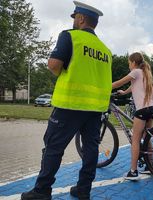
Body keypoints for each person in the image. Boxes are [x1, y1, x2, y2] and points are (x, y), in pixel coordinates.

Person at [21, 1, 112, 200]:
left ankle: (42, 190)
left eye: (74, 17)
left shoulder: (70, 36)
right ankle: (83, 189)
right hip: (95, 109)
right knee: (90, 150)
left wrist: (60, 70)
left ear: (80, 18)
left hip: (70, 105)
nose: (73, 21)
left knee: (53, 147)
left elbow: (54, 65)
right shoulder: (106, 51)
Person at [112, 52, 153, 180]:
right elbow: (133, 87)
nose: (128, 66)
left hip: (143, 109)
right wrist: (124, 92)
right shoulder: (145, 73)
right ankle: (150, 166)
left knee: (136, 140)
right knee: (146, 137)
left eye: (128, 63)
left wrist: (104, 88)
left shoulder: (136, 71)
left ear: (133, 62)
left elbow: (119, 83)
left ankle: (133, 172)